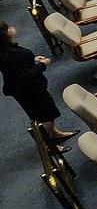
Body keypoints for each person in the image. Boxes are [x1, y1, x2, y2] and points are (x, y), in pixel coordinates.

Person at [0, 23, 77, 151]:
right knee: (46, 115)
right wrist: (43, 64)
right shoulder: (10, 54)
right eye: (8, 28)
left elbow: (17, 66)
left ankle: (54, 134)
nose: (12, 28)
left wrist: (32, 60)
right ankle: (49, 146)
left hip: (23, 88)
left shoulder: (5, 49)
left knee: (44, 112)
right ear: (4, 34)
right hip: (28, 89)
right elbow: (26, 75)